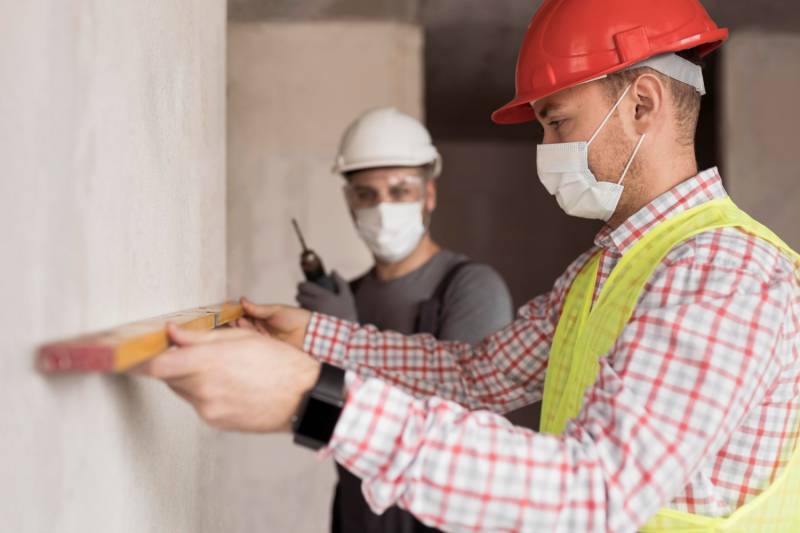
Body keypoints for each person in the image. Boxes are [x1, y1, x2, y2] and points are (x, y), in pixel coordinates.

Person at [141, 1, 800, 531]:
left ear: (642, 104)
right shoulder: (606, 269)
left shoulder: (723, 274)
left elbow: (596, 492)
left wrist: (315, 400)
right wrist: (313, 337)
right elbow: (475, 375)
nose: (546, 148)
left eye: (557, 121)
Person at [298, 106, 514, 533]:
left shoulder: (470, 288)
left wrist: (343, 340)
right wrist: (307, 351)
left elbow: (460, 437)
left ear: (428, 195)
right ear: (349, 202)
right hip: (357, 520)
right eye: (366, 194)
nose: (382, 209)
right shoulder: (346, 298)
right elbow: (319, 431)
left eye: (400, 191)